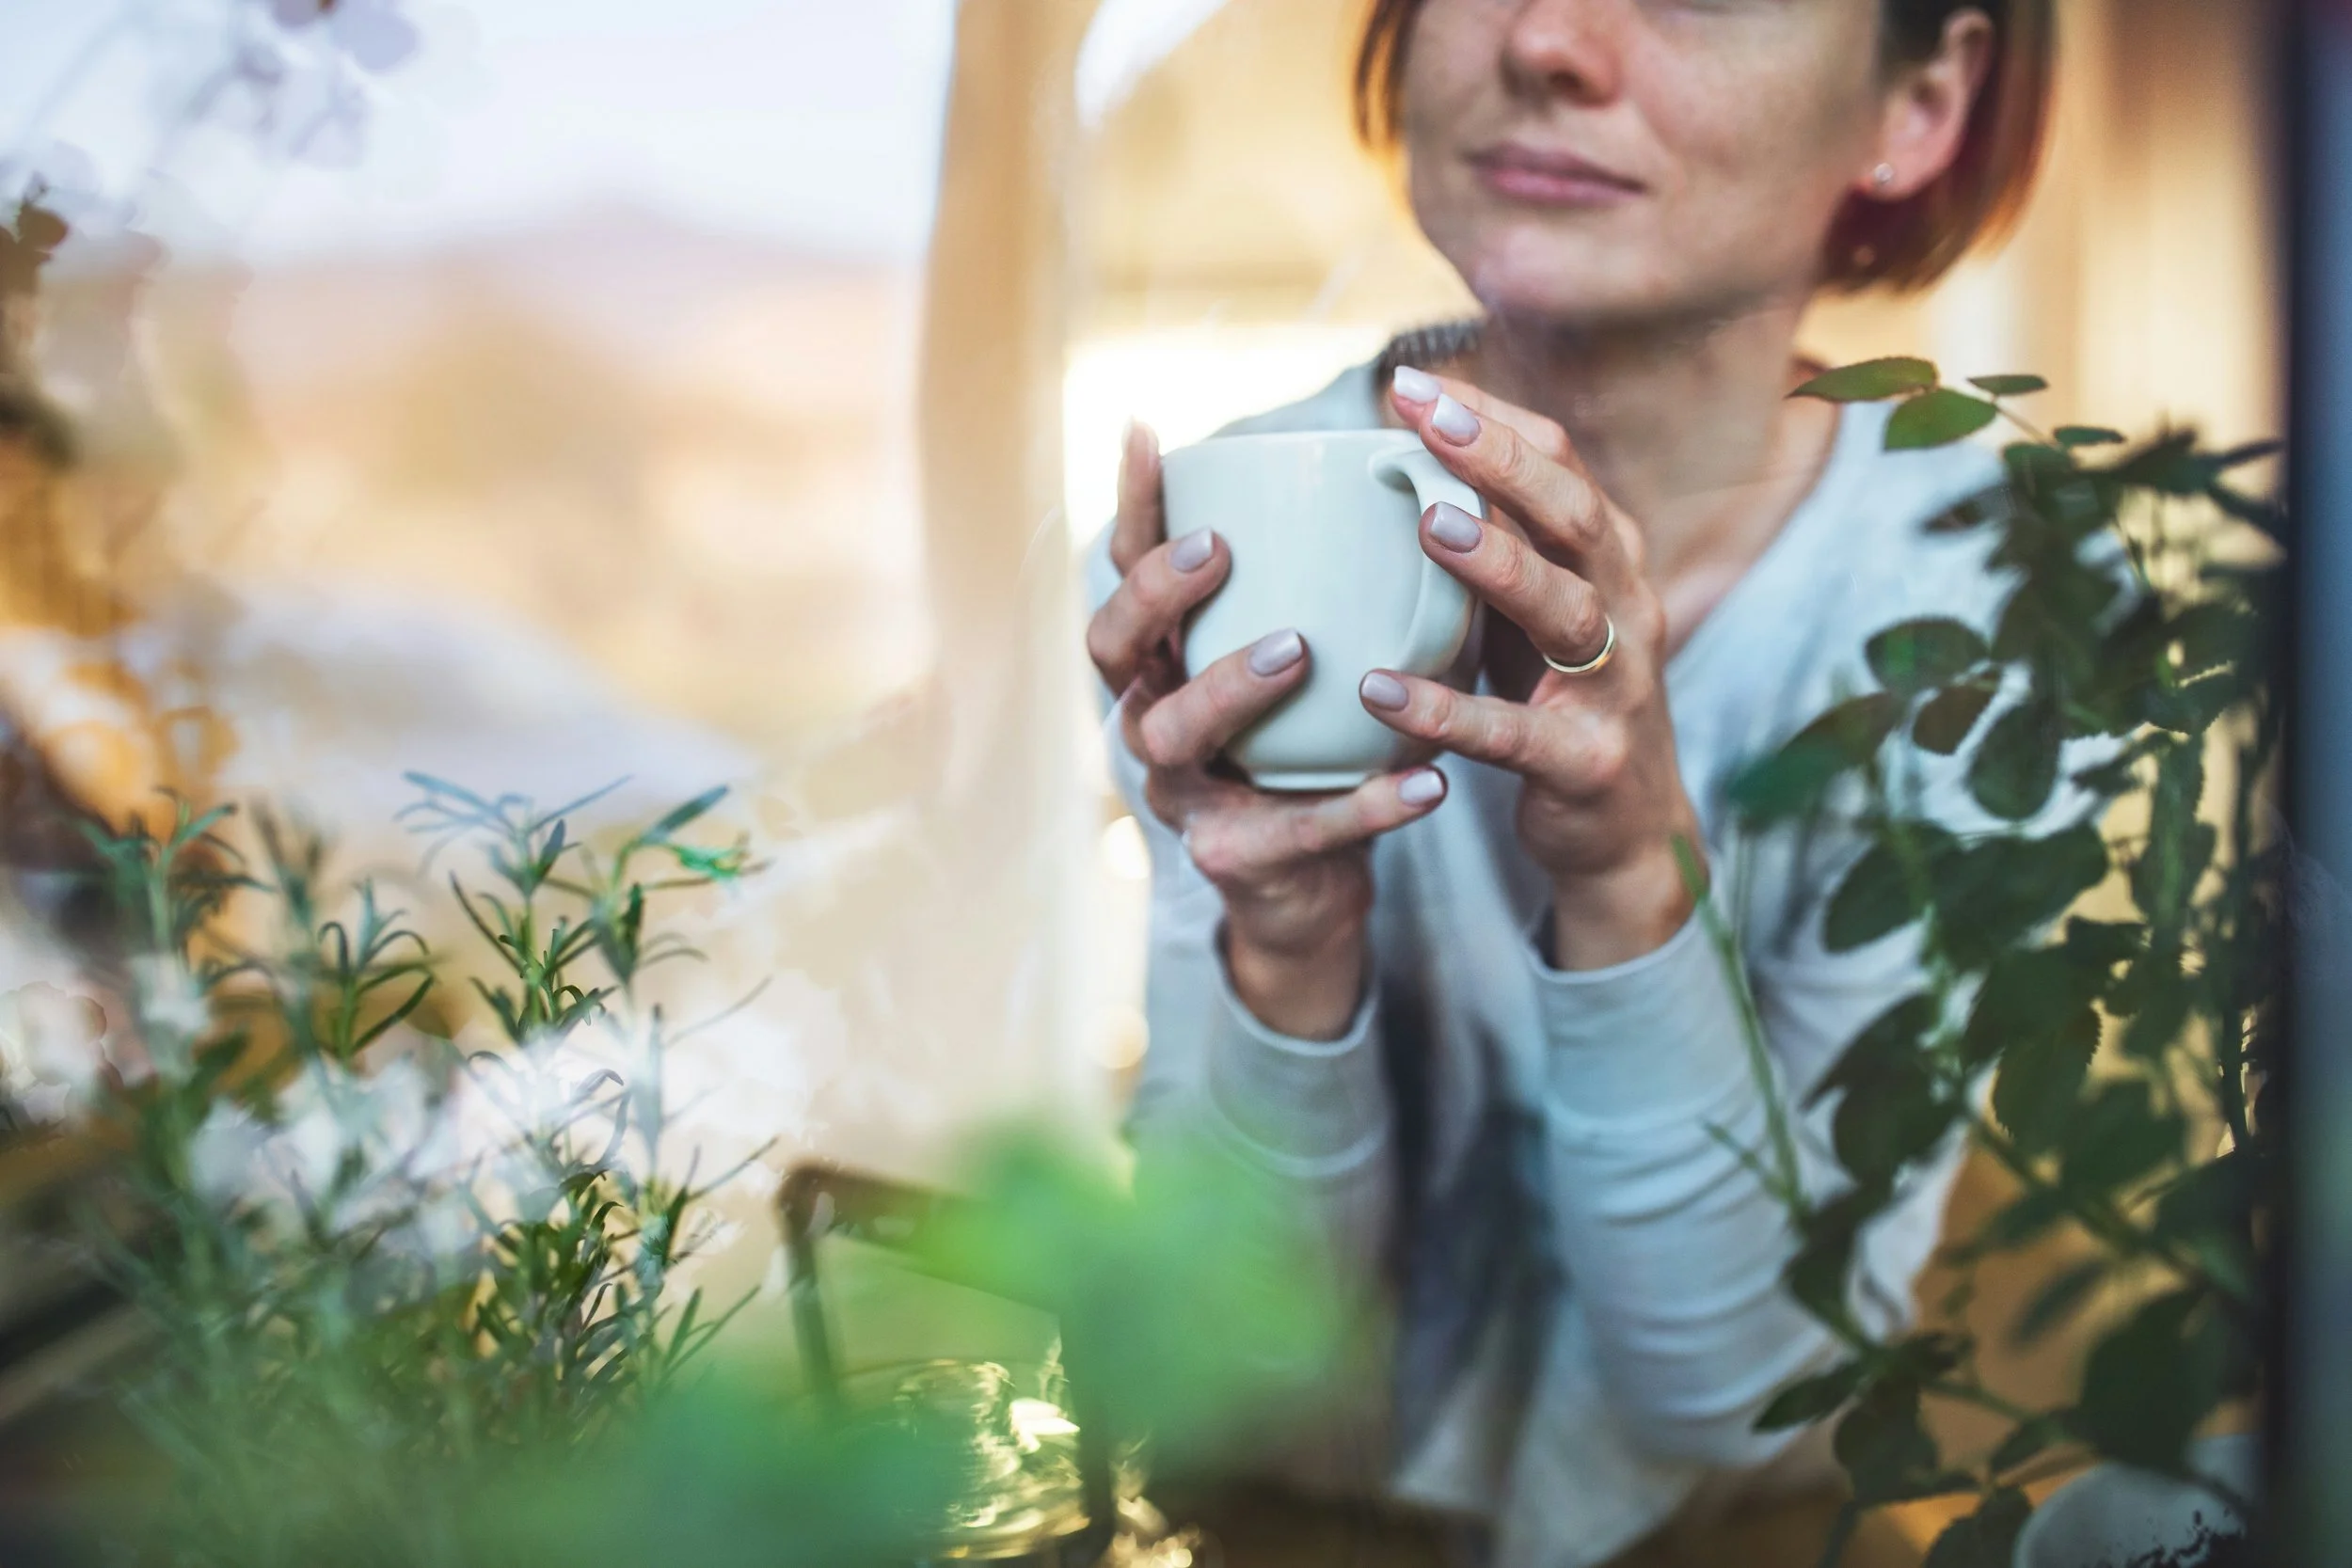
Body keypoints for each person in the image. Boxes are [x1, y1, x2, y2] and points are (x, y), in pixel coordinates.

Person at [1084, 2, 2058, 1564]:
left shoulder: (1995, 596)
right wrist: (1281, 935)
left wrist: (1625, 874)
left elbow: (1733, 1407)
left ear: (1923, 95)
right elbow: (1238, 1389)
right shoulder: (1225, 547)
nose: (1546, 37)